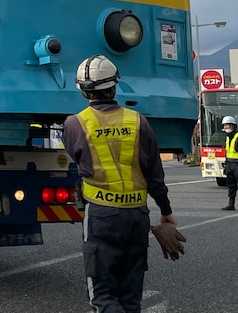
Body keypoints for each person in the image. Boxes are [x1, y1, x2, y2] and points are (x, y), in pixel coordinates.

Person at [63, 54, 178, 313]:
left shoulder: (75, 124)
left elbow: (78, 161)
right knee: (130, 296)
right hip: (137, 216)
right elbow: (155, 176)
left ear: (83, 90)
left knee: (102, 297)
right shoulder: (138, 122)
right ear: (114, 86)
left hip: (101, 215)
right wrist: (166, 212)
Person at [221, 115, 238, 210]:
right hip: (230, 164)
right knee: (231, 185)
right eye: (224, 126)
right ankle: (231, 204)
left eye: (227, 125)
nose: (225, 127)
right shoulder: (228, 138)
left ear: (233, 126)